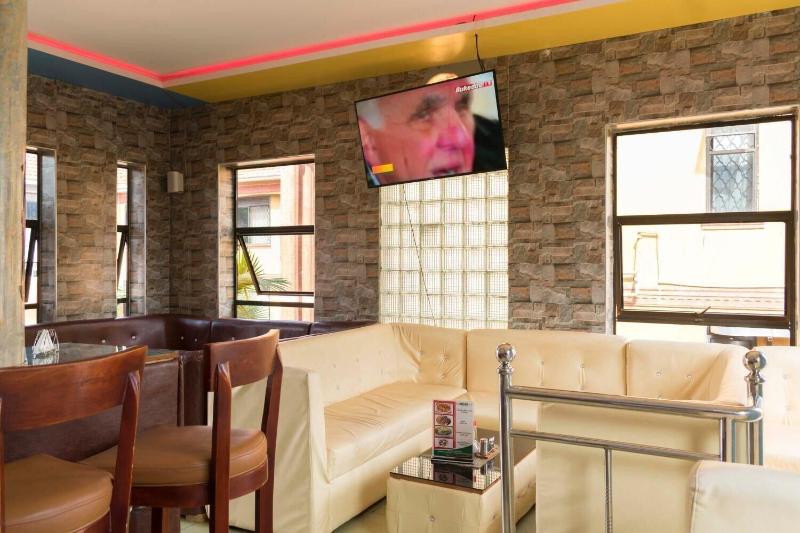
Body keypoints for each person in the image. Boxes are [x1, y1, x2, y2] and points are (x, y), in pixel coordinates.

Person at [358, 75, 502, 187]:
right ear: (367, 139)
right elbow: (383, 169)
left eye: (461, 107)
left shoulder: (499, 146)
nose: (462, 138)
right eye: (423, 115)